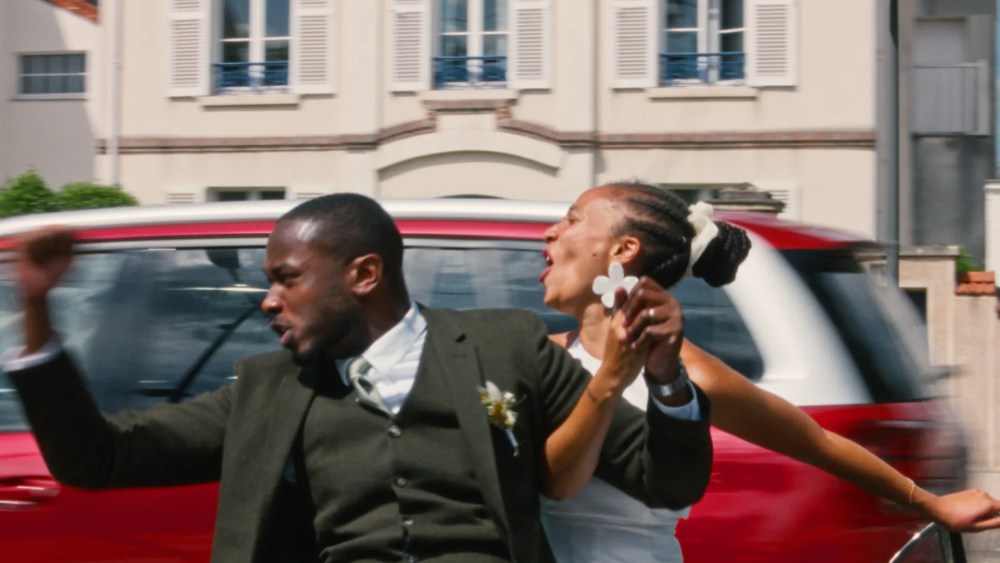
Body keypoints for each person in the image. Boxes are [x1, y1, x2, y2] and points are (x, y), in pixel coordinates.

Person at [6, 193, 713, 563]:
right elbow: (96, 457)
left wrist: (665, 378)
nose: (268, 301)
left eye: (286, 279)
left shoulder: (506, 346)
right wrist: (37, 309)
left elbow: (666, 479)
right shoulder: (268, 389)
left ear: (365, 274)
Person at [537, 180, 1000, 563]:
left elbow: (816, 442)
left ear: (624, 249)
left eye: (572, 219)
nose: (550, 233)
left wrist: (932, 504)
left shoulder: (690, 375)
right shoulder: (536, 354)